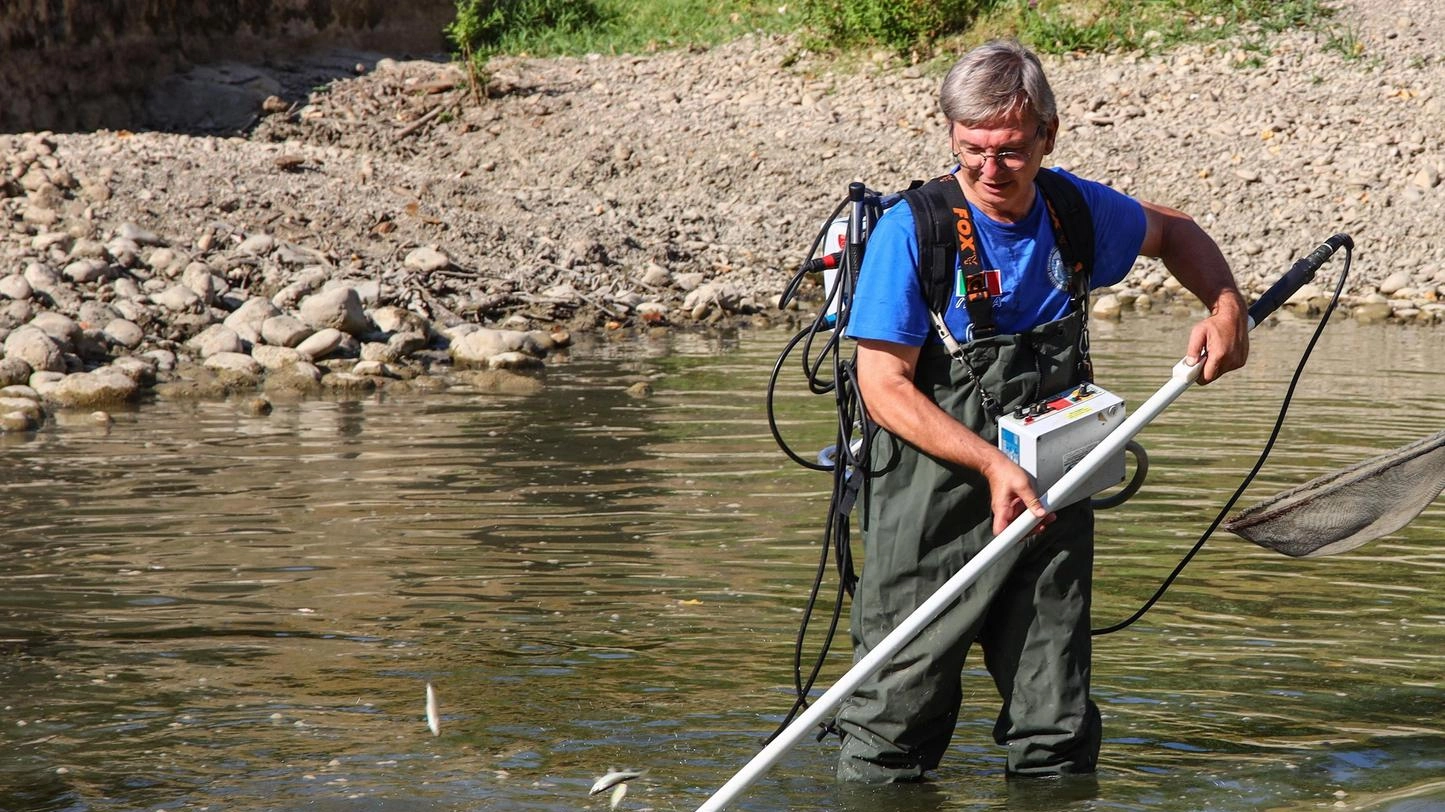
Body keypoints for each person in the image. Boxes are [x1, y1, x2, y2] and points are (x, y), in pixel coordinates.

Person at [833, 39, 1249, 783]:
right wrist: (991, 463)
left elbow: (1173, 231)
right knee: (891, 726)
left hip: (1053, 498)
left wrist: (1223, 308)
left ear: (1047, 136)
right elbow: (882, 386)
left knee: (1055, 725)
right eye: (972, 152)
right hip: (932, 506)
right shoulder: (912, 232)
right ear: (951, 138)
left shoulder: (1075, 210)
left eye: (1011, 151)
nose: (991, 171)